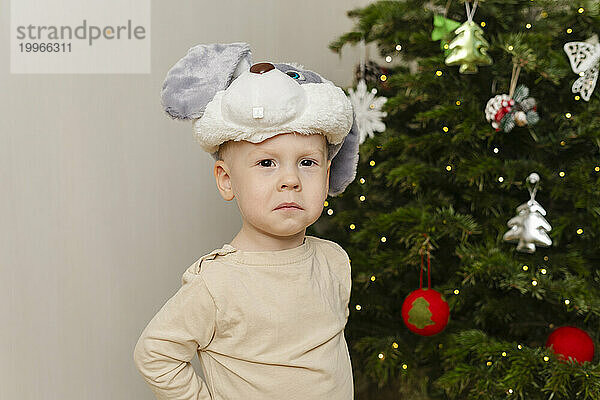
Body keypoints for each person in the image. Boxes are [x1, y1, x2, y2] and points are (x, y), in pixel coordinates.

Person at [133, 42, 360, 400]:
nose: (291, 180)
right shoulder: (216, 284)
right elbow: (156, 354)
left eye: (307, 162)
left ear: (328, 174)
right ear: (226, 180)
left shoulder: (334, 261)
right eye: (267, 163)